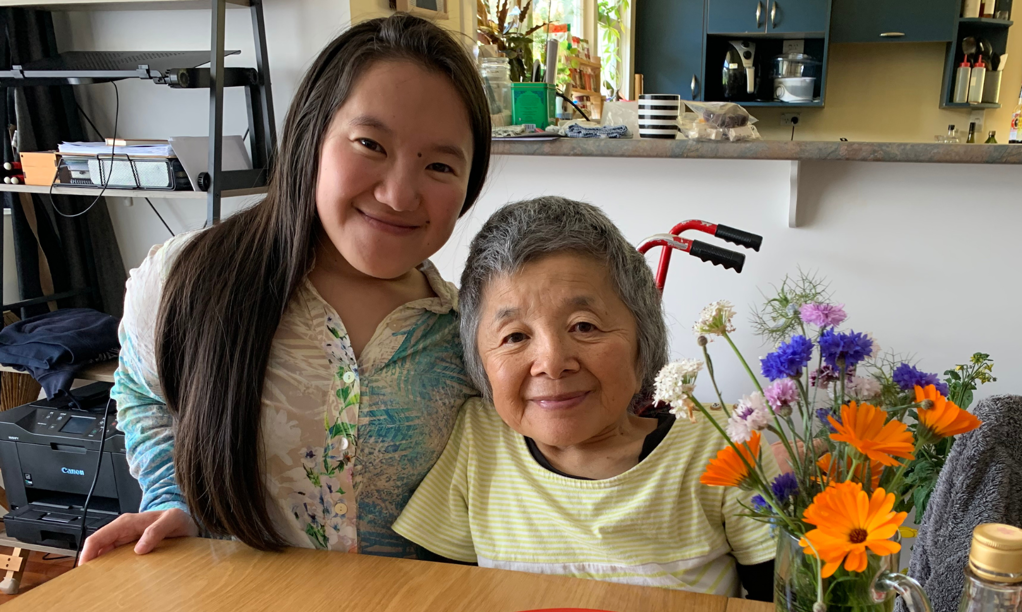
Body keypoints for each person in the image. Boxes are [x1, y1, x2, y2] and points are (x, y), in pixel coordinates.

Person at [79, 13, 491, 562]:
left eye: (440, 165)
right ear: (311, 137)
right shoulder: (190, 280)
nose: (398, 194)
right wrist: (172, 498)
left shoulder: (475, 334)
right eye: (370, 144)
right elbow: (144, 393)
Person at [392, 197, 777, 600]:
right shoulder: (478, 440)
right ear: (480, 363)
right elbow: (440, 594)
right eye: (515, 337)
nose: (553, 363)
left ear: (642, 343)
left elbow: (783, 595)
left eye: (584, 326)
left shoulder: (722, 442)